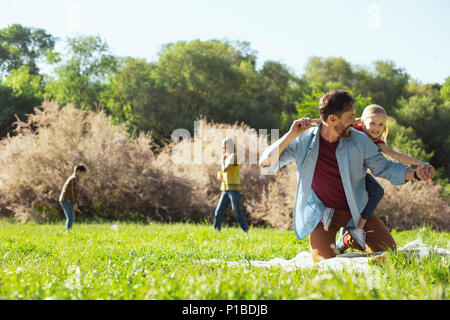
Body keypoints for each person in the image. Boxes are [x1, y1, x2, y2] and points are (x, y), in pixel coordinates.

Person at [259, 90, 434, 261]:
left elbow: (385, 167)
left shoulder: (360, 140)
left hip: (356, 211)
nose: (355, 121)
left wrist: (415, 174)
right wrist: (291, 135)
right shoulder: (304, 140)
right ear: (332, 119)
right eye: (350, 116)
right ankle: (345, 241)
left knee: (391, 255)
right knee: (325, 263)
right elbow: (265, 161)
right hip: (323, 215)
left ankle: (350, 238)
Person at [320, 104, 430, 253]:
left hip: (357, 175)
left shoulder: (377, 142)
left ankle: (356, 228)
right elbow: (328, 122)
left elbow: (396, 156)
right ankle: (327, 211)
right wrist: (309, 122)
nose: (376, 128)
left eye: (380, 125)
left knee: (377, 191)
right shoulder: (352, 130)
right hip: (336, 174)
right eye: (372, 123)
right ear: (361, 122)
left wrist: (421, 164)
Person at [213, 138, 249, 233]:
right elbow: (224, 172)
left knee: (237, 212)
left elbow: (225, 169)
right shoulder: (227, 157)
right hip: (226, 188)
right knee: (218, 211)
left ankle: (245, 230)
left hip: (234, 189)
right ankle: (216, 231)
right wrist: (219, 174)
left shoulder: (234, 156)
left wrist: (222, 160)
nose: (222, 148)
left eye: (224, 146)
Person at [59, 165, 86, 230]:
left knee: (71, 216)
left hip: (65, 199)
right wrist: (75, 203)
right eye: (82, 174)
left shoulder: (73, 178)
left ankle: (68, 229)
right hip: (66, 200)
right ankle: (68, 231)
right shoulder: (74, 179)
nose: (82, 176)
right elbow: (73, 193)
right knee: (70, 217)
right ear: (78, 171)